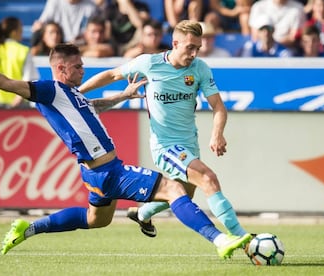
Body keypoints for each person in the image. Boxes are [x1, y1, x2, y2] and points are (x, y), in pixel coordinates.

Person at [0, 44, 252, 258]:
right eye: (78, 65)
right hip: (108, 169)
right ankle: (221, 239)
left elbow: (95, 107)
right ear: (61, 68)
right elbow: (7, 83)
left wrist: (124, 94)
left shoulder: (72, 95)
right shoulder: (50, 90)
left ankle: (29, 229)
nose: (83, 69)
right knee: (175, 190)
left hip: (94, 173)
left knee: (97, 220)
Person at [79, 20, 252, 242]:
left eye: (197, 48)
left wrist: (217, 133)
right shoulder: (149, 64)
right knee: (208, 178)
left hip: (189, 143)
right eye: (189, 47)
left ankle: (142, 213)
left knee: (185, 193)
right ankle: (242, 238)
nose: (194, 53)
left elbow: (218, 107)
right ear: (175, 43)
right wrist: (77, 93)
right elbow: (112, 74)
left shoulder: (200, 69)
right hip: (165, 146)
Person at [0, 16, 40, 108]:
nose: (22, 33)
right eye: (20, 29)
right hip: (18, 107)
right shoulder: (23, 50)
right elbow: (28, 79)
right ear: (13, 32)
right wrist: (15, 103)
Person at [31, 0, 97, 43]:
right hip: (58, 45)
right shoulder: (54, 2)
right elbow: (39, 25)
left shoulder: (91, 6)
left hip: (80, 45)